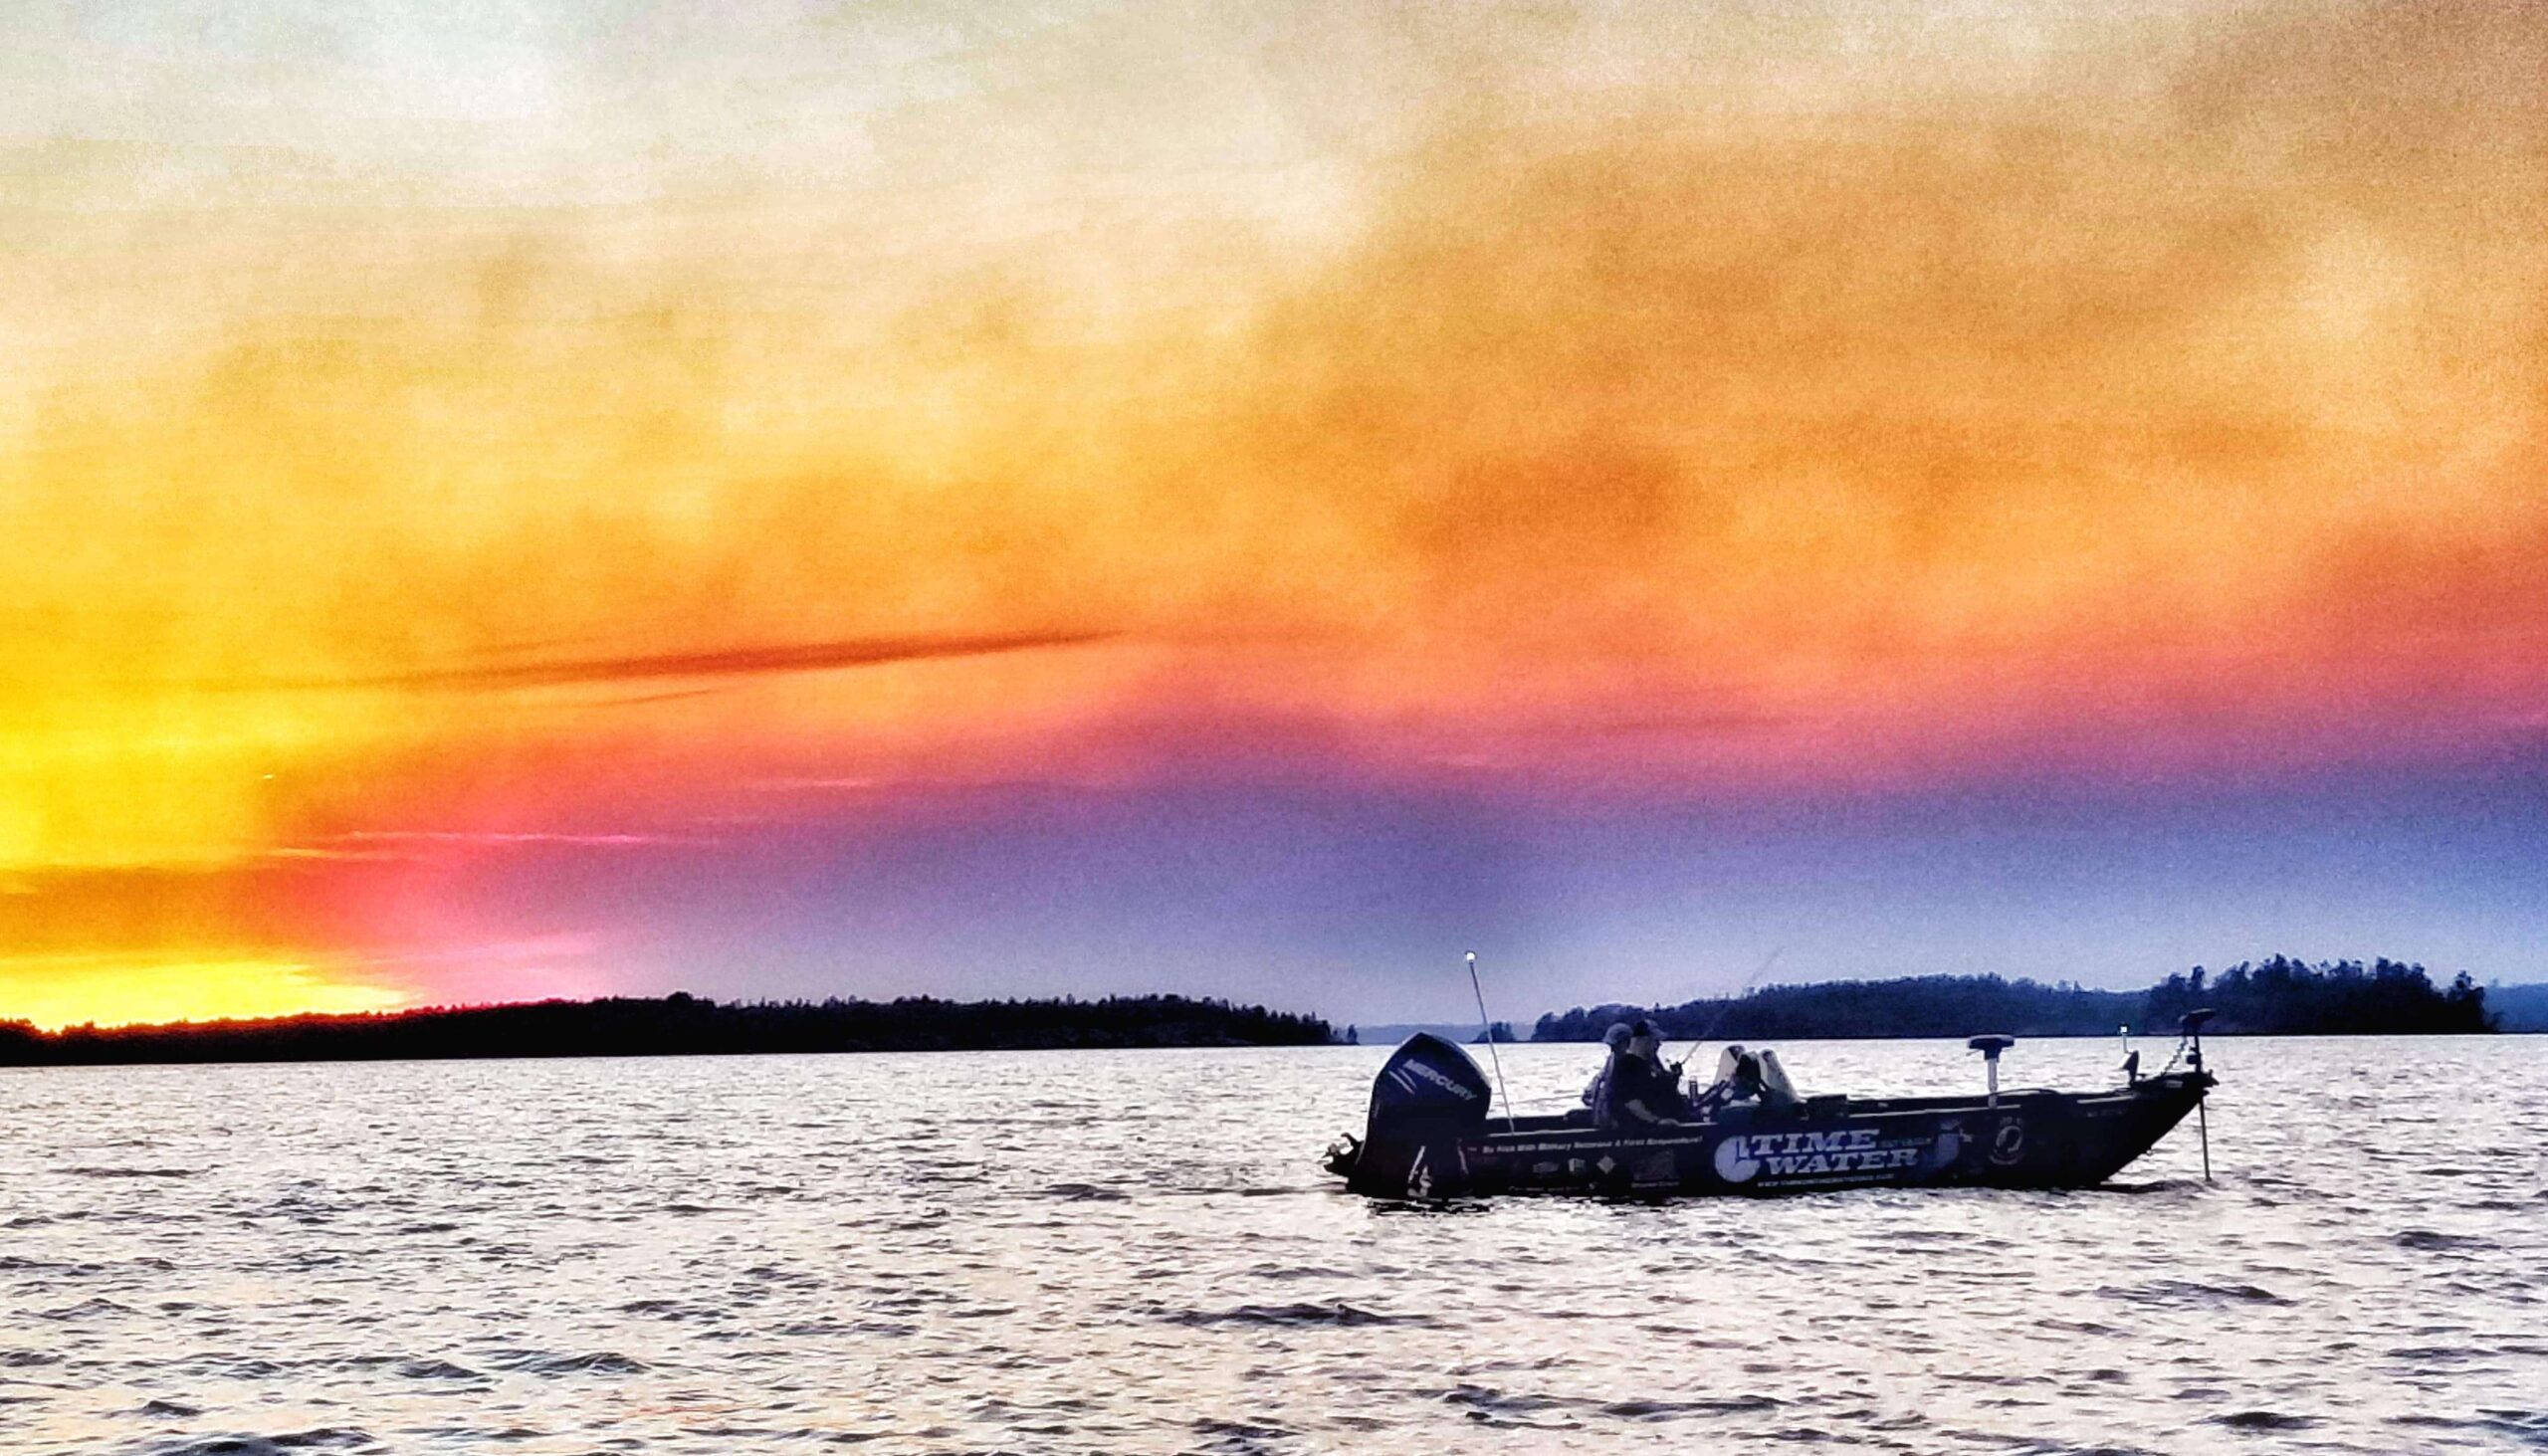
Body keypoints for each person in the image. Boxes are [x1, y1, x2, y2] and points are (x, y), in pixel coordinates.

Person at [1600, 1019, 1691, 1127]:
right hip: (1645, 1131)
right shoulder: (1628, 1066)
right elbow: (1631, 1101)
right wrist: (1657, 1121)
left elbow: (1656, 1091)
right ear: (1644, 1040)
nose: (1659, 1045)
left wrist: (1673, 1077)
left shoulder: (1647, 1065)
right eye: (1655, 1041)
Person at [1580, 1021, 1633, 1118]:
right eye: (1611, 1046)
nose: (1612, 1050)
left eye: (1616, 1046)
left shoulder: (1636, 1063)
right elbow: (1597, 1081)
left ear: (1627, 1043)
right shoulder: (1612, 1061)